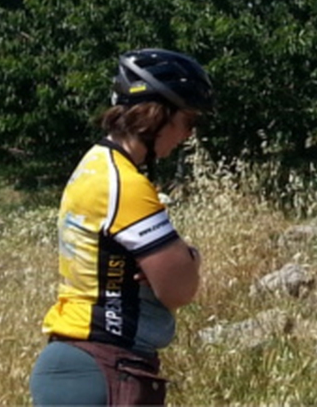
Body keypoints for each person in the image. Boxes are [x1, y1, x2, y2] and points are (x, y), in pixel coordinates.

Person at [29, 49, 213, 407]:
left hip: (83, 365)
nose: (189, 135)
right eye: (188, 120)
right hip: (103, 368)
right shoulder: (124, 184)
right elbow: (179, 289)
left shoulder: (96, 165)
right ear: (158, 115)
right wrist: (191, 256)